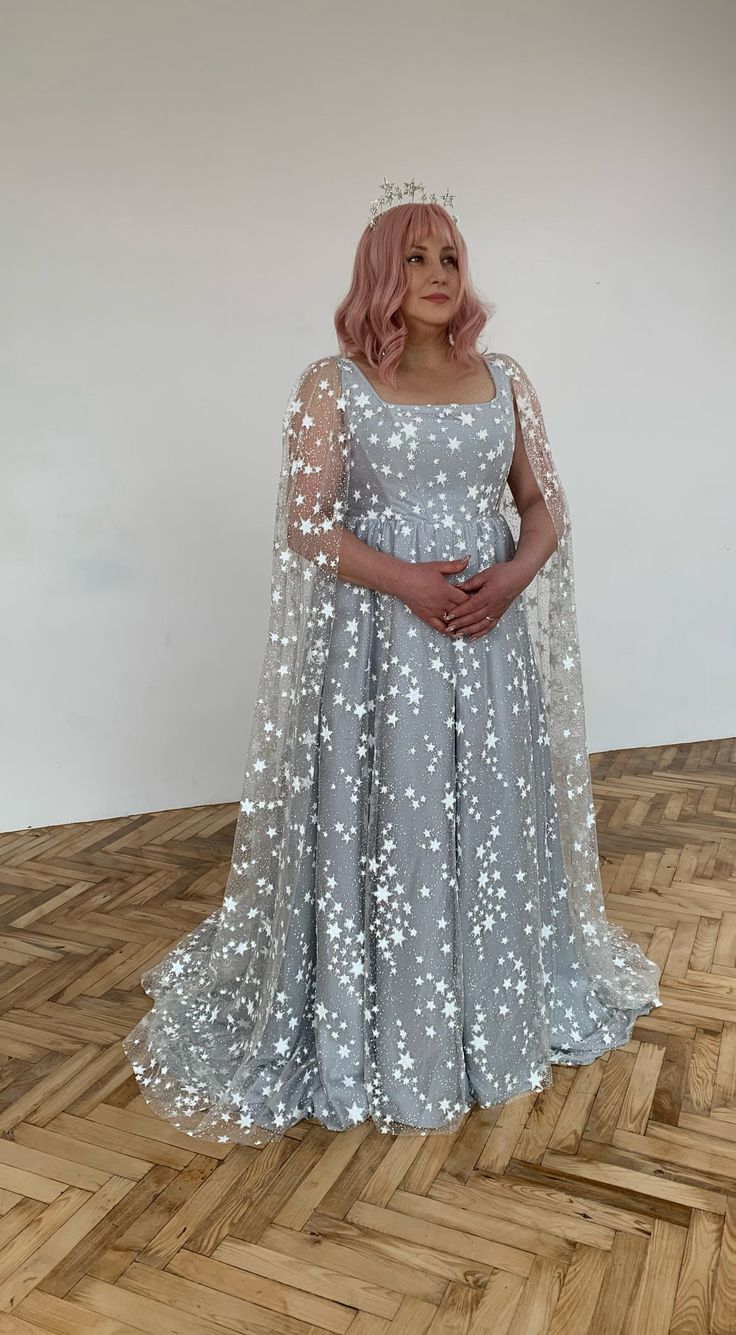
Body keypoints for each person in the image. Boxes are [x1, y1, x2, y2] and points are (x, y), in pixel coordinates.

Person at [122, 179, 661, 1146]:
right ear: (380, 272)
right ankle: (386, 1017)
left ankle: (487, 1012)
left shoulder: (507, 380)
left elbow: (543, 507)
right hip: (386, 647)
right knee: (394, 815)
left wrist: (511, 578)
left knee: (487, 816)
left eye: (451, 256)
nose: (439, 275)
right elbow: (309, 523)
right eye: (416, 257)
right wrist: (409, 581)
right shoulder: (331, 387)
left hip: (485, 640)